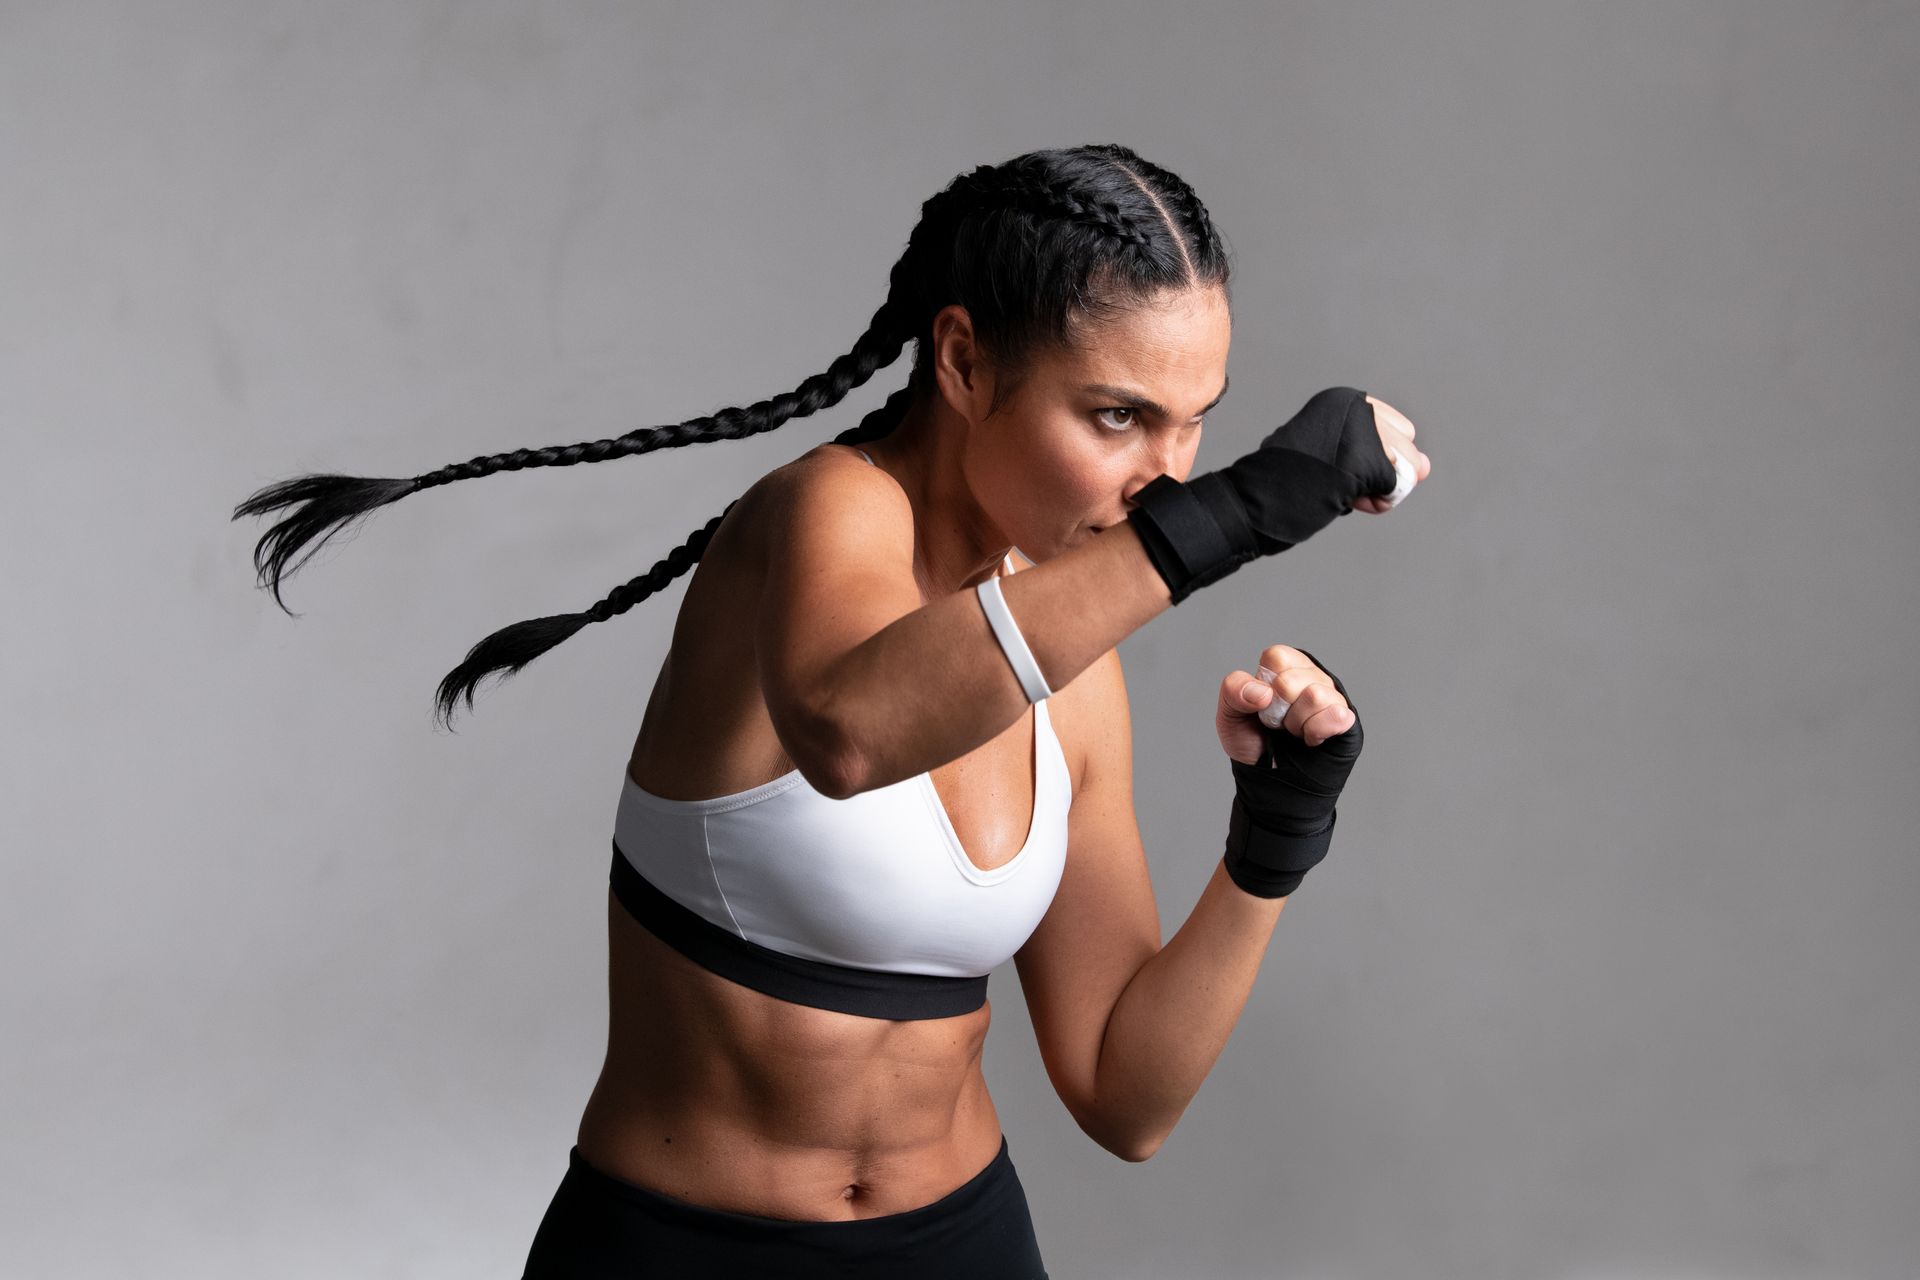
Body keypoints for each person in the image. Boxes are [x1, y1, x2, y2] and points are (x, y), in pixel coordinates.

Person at [232, 143, 1430, 1279]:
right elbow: (850, 733)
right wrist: (1248, 505)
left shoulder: (1069, 655)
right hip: (682, 1248)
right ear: (961, 362)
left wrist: (1273, 840)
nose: (1164, 474)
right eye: (1117, 416)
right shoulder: (821, 516)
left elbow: (1126, 1096)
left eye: (1196, 422)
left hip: (960, 1240)